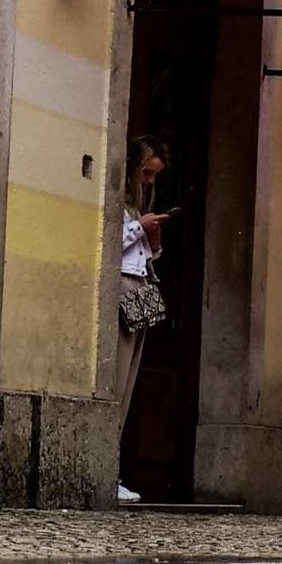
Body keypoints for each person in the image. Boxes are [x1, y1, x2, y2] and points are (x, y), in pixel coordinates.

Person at [116, 135, 169, 503]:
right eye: (147, 173)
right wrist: (140, 226)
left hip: (140, 286)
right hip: (121, 285)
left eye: (154, 176)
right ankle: (108, 471)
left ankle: (113, 470)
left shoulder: (137, 207)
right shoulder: (118, 202)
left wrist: (153, 236)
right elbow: (108, 241)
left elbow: (148, 256)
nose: (150, 181)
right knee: (117, 381)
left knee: (129, 382)